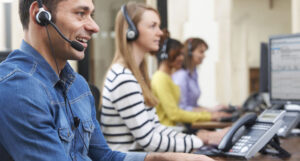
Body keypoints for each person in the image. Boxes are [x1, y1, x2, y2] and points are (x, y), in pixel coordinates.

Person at [0, 0, 213, 161]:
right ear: (40, 15)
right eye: (81, 14)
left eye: (91, 15)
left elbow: (104, 157)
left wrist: (159, 158)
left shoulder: (78, 85)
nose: (94, 27)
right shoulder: (18, 88)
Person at [100, 2, 225, 157]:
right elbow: (148, 140)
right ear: (131, 32)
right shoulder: (123, 78)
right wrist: (201, 140)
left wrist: (197, 138)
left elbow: (155, 128)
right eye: (153, 26)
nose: (160, 33)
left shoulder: (136, 76)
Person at [151, 37, 231, 127]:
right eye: (178, 54)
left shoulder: (167, 77)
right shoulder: (160, 78)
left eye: (182, 54)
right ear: (166, 56)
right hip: (169, 130)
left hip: (174, 128)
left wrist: (210, 113)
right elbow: (174, 114)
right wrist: (210, 116)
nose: (181, 58)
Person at [172, 38, 228, 112]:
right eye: (201, 52)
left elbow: (193, 106)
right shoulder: (181, 76)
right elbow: (182, 108)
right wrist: (210, 110)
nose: (204, 56)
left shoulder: (193, 74)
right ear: (189, 52)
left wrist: (213, 109)